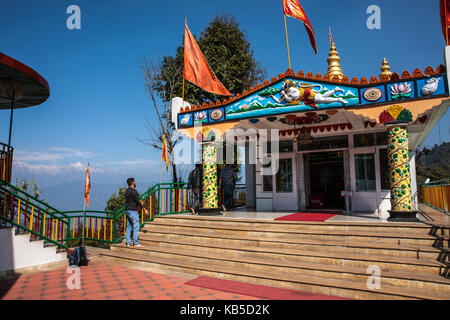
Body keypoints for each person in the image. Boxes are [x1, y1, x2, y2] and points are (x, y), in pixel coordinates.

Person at [125, 178, 148, 247]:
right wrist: (144, 209)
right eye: (134, 182)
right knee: (136, 226)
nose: (135, 183)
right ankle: (136, 243)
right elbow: (138, 201)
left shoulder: (127, 191)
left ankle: (128, 243)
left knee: (129, 227)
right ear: (132, 183)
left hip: (127, 210)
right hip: (133, 210)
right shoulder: (133, 191)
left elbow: (132, 199)